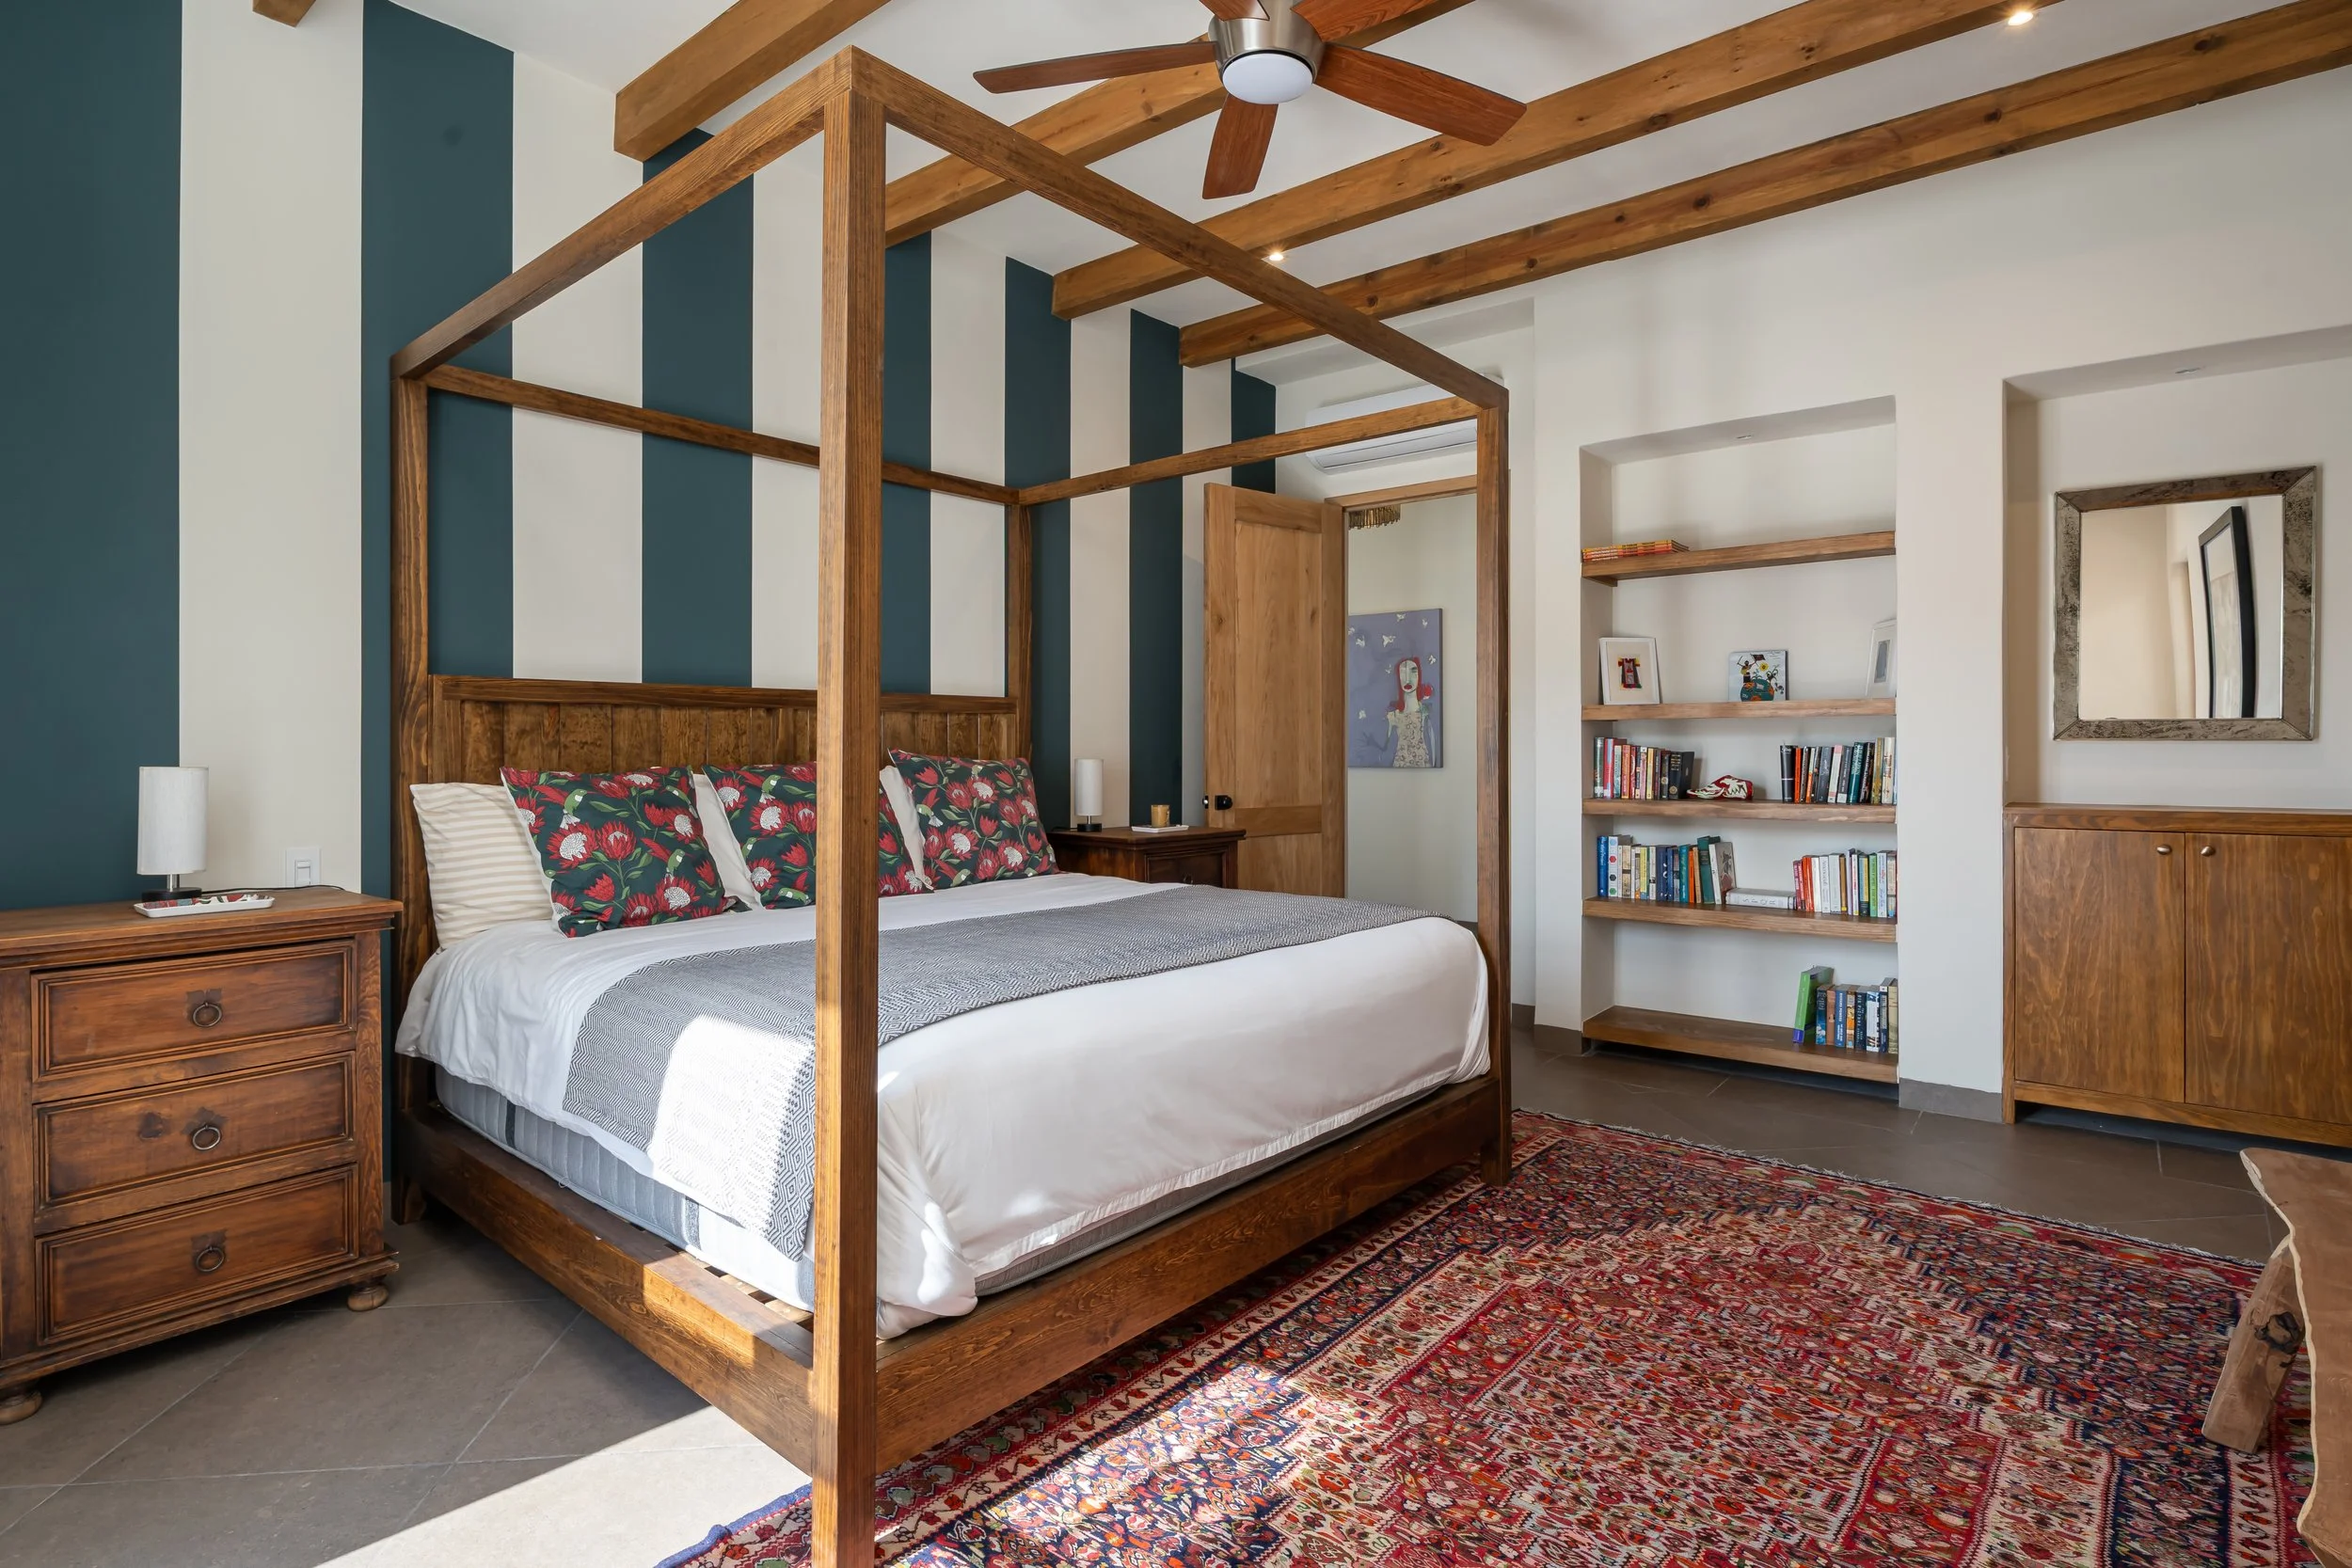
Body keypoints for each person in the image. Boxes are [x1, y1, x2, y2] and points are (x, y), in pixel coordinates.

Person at [1387, 657, 1435, 767]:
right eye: (1403, 673)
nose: (1408, 679)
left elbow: (1433, 745)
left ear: (1419, 676)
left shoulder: (1425, 713)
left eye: (1413, 672)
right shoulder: (1393, 715)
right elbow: (1387, 747)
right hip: (1399, 767)